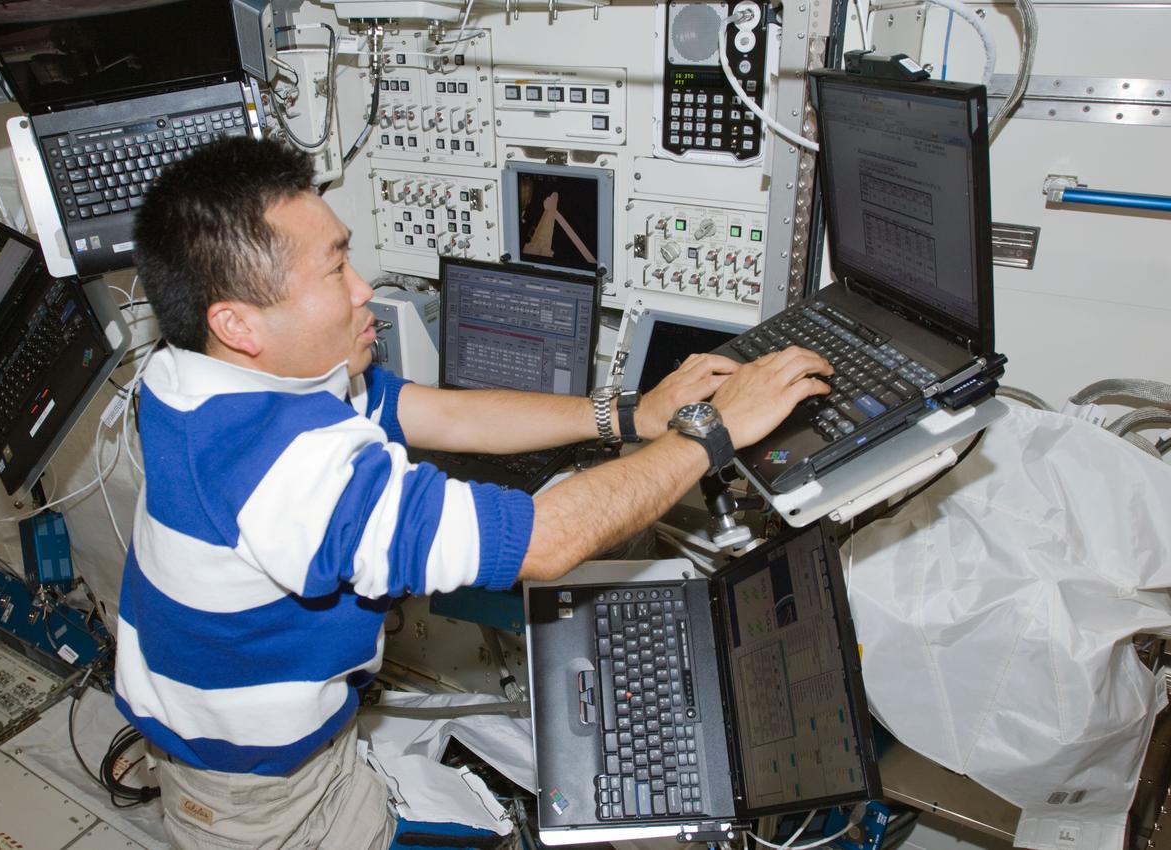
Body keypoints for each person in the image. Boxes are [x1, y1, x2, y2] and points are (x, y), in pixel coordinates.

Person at [115, 137, 831, 850]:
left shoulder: (195, 374)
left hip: (275, 746)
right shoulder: (284, 468)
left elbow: (446, 413)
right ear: (237, 323)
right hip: (265, 802)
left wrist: (628, 415)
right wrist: (713, 432)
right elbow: (544, 541)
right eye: (335, 270)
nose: (364, 287)